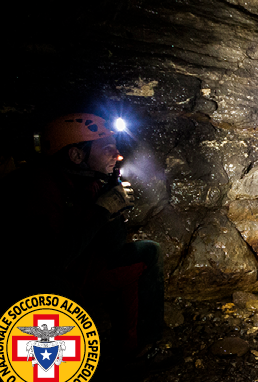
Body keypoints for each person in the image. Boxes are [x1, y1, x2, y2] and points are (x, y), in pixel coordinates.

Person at [12, 113, 164, 357]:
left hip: (75, 269)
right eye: (107, 149)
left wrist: (114, 212)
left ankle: (134, 345)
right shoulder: (39, 190)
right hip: (35, 286)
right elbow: (49, 264)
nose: (117, 155)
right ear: (76, 155)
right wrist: (102, 211)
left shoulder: (87, 182)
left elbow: (112, 248)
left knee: (144, 252)